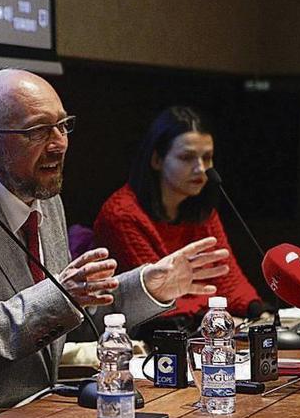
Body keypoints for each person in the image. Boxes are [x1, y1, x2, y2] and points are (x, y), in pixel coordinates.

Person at [0, 69, 231, 412]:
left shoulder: (44, 197)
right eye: (38, 131)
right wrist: (59, 298)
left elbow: (74, 311)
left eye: (63, 126)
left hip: (36, 412)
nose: (60, 143)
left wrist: (150, 285)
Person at [93, 106, 263, 333]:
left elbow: (228, 279)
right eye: (187, 158)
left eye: (207, 158)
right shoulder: (122, 214)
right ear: (157, 160)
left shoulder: (202, 212)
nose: (200, 168)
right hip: (146, 335)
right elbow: (158, 299)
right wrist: (220, 315)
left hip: (202, 324)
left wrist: (259, 312)